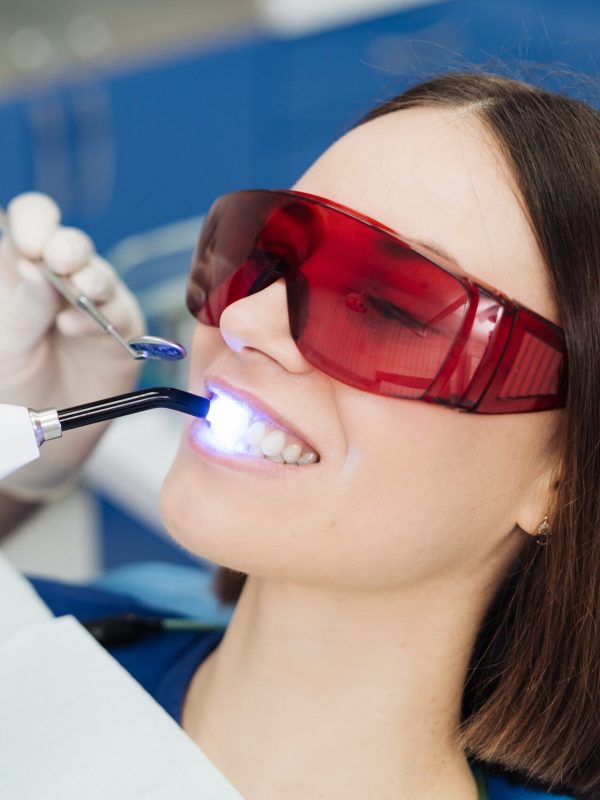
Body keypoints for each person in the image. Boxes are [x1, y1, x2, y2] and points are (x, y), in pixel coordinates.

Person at [1, 69, 598, 799]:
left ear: (564, 476)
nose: (243, 320)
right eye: (267, 257)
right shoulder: (82, 630)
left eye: (388, 308)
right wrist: (22, 477)